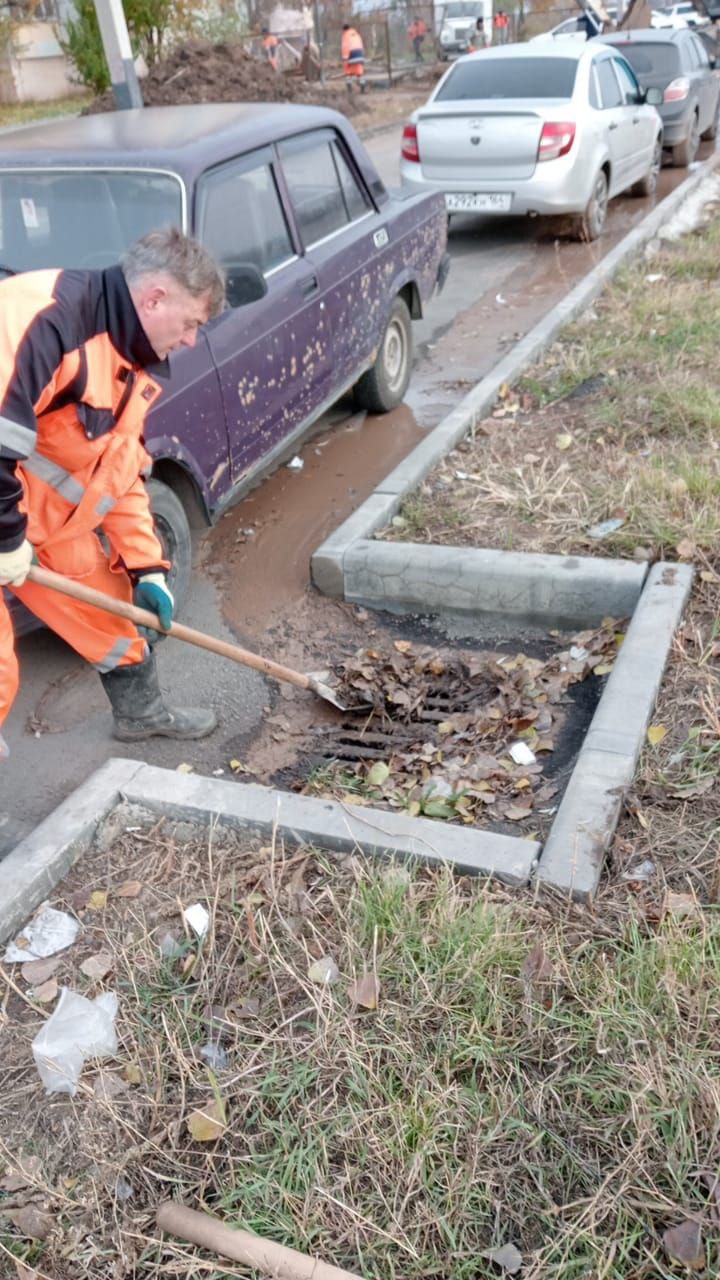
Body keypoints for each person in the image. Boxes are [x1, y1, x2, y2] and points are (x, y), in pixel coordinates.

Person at [0, 227, 226, 760]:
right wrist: (7, 540)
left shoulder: (126, 360)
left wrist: (148, 569)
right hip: (6, 516)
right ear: (154, 299)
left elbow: (116, 474)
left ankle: (141, 715)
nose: (192, 341)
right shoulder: (43, 320)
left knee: (112, 614)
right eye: (191, 324)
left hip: (32, 517)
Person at [341, 23, 366, 93]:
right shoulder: (356, 34)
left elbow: (345, 47)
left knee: (348, 73)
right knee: (359, 73)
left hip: (351, 55)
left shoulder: (346, 36)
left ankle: (349, 90)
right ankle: (362, 88)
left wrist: (345, 59)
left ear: (344, 30)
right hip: (360, 54)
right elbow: (361, 45)